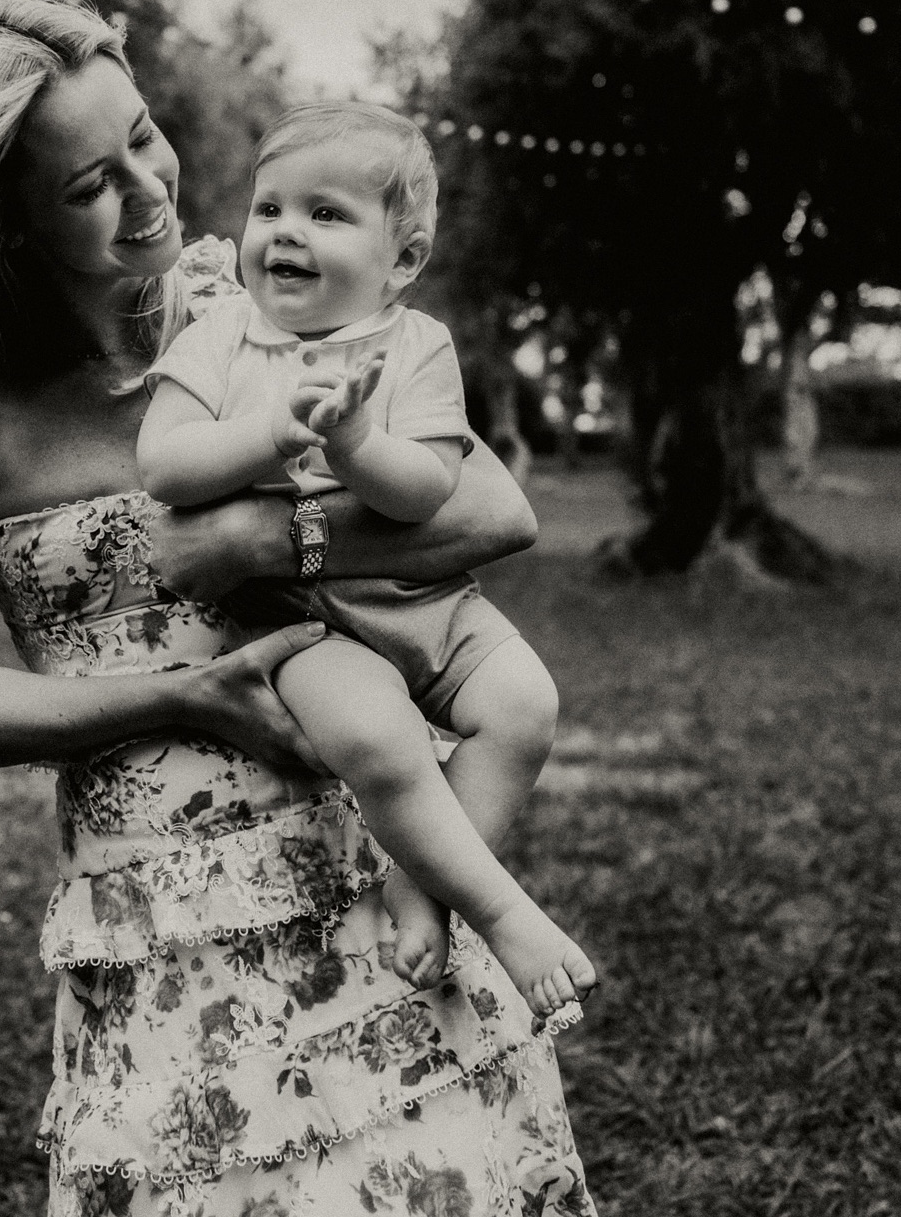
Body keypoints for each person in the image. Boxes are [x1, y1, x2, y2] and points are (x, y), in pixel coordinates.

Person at [0, 0, 600, 1217]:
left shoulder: (256, 311)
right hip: (160, 934)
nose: (145, 194)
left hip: (365, 869)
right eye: (87, 183)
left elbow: (492, 510)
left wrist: (273, 532)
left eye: (145, 142)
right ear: (3, 217)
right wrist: (179, 696)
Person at [137, 104, 596, 1014]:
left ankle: (421, 884)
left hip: (430, 595)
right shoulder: (219, 338)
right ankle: (501, 912)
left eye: (327, 214)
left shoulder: (416, 347)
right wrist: (272, 430)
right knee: (377, 741)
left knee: (524, 707)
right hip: (303, 620)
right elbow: (164, 465)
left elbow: (426, 490)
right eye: (269, 209)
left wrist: (348, 440)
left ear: (405, 259)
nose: (286, 234)